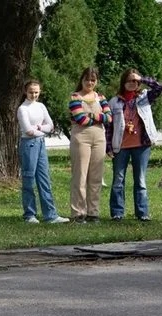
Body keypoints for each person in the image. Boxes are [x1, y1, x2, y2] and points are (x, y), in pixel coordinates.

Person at [106, 69, 162, 222]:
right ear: (123, 82)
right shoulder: (114, 101)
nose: (132, 83)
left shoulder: (144, 97)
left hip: (142, 145)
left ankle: (142, 213)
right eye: (129, 80)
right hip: (121, 146)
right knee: (118, 180)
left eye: (135, 81)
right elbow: (109, 127)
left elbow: (160, 87)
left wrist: (142, 78)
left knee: (140, 180)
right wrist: (109, 147)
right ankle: (117, 213)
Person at [16, 80, 69, 224]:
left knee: (44, 179)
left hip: (40, 143)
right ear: (25, 92)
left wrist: (39, 128)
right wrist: (42, 129)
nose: (34, 95)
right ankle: (29, 214)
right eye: (31, 92)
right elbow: (28, 130)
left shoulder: (41, 106)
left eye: (36, 92)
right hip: (29, 144)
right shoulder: (23, 109)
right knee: (29, 178)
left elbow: (50, 126)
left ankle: (50, 214)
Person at [68, 67, 112, 223]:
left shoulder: (101, 97)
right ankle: (78, 212)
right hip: (81, 138)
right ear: (82, 80)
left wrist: (91, 115)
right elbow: (81, 119)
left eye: (93, 80)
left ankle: (93, 212)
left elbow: (109, 118)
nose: (90, 82)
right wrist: (99, 117)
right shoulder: (75, 97)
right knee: (80, 176)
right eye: (87, 79)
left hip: (99, 138)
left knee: (96, 176)